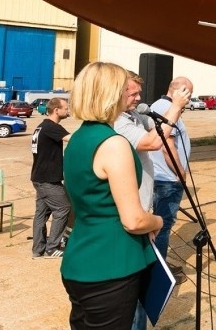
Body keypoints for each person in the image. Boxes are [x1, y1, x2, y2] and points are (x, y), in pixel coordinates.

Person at [60, 62, 163, 329]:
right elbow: (134, 220)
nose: (131, 96)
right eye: (123, 89)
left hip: (79, 260)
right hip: (111, 266)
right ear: (110, 94)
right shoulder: (114, 143)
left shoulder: (79, 138)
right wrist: (157, 221)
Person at [114, 71, 189, 330]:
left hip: (141, 209)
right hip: (133, 215)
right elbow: (156, 140)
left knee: (139, 290)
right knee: (131, 286)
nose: (138, 98)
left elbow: (158, 128)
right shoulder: (118, 123)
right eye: (132, 93)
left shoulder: (136, 115)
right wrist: (176, 106)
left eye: (138, 92)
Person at [150, 77, 194, 272]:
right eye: (188, 95)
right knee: (163, 225)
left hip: (162, 177)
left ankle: (156, 264)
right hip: (168, 179)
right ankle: (159, 268)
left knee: (159, 223)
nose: (189, 100)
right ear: (180, 92)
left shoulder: (160, 106)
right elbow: (167, 145)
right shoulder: (165, 108)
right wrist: (180, 172)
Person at [30, 97, 71, 258]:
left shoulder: (41, 127)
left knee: (41, 214)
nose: (68, 111)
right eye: (66, 108)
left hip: (39, 177)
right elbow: (73, 139)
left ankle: (37, 249)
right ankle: (53, 247)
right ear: (56, 110)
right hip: (48, 180)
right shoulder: (51, 127)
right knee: (63, 208)